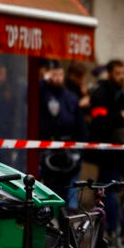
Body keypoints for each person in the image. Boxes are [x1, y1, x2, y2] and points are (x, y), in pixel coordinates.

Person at [88, 59, 124, 234]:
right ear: (110, 73)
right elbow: (98, 120)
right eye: (118, 73)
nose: (121, 77)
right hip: (110, 152)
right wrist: (120, 116)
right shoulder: (101, 93)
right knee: (109, 190)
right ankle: (110, 228)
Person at [39, 60, 87, 210]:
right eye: (54, 75)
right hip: (49, 149)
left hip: (69, 150)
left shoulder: (70, 97)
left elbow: (80, 125)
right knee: (53, 191)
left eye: (60, 74)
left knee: (70, 197)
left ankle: (67, 225)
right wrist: (43, 81)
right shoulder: (43, 93)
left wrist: (80, 150)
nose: (57, 78)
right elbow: (30, 95)